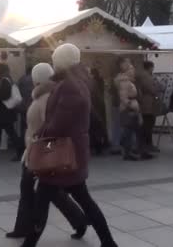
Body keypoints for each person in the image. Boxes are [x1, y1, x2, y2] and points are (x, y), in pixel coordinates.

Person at [21, 44, 117, 247]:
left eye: (55, 59)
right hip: (71, 152)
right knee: (83, 200)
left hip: (62, 153)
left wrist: (40, 135)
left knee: (43, 200)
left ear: (63, 61)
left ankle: (29, 244)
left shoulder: (69, 85)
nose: (53, 63)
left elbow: (59, 123)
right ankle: (108, 242)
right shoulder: (78, 81)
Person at [6, 63, 88, 240]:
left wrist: (42, 152)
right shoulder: (43, 95)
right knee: (49, 194)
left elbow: (49, 128)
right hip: (33, 152)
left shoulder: (46, 98)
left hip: (40, 154)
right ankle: (79, 221)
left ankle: (26, 230)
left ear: (38, 78)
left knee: (42, 193)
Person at [115, 61, 152, 161]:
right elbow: (123, 97)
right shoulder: (124, 82)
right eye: (131, 69)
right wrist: (131, 104)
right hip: (128, 109)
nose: (133, 71)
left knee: (137, 130)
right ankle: (128, 152)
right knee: (129, 131)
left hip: (133, 108)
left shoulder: (130, 81)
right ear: (127, 71)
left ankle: (140, 150)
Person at [136, 61, 160, 153]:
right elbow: (151, 88)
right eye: (153, 67)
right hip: (147, 103)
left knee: (147, 124)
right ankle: (147, 145)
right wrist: (158, 87)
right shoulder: (145, 76)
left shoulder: (143, 75)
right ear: (150, 67)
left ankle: (146, 145)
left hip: (146, 103)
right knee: (148, 124)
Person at [89, 68, 109, 155]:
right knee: (98, 128)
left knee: (94, 129)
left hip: (94, 108)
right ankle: (100, 146)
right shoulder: (95, 82)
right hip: (98, 107)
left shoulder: (91, 83)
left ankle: (97, 146)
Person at [17, 65, 34, 147]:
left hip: (23, 106)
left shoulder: (22, 79)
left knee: (23, 128)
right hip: (33, 106)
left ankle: (22, 146)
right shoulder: (35, 79)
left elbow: (18, 92)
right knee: (32, 127)